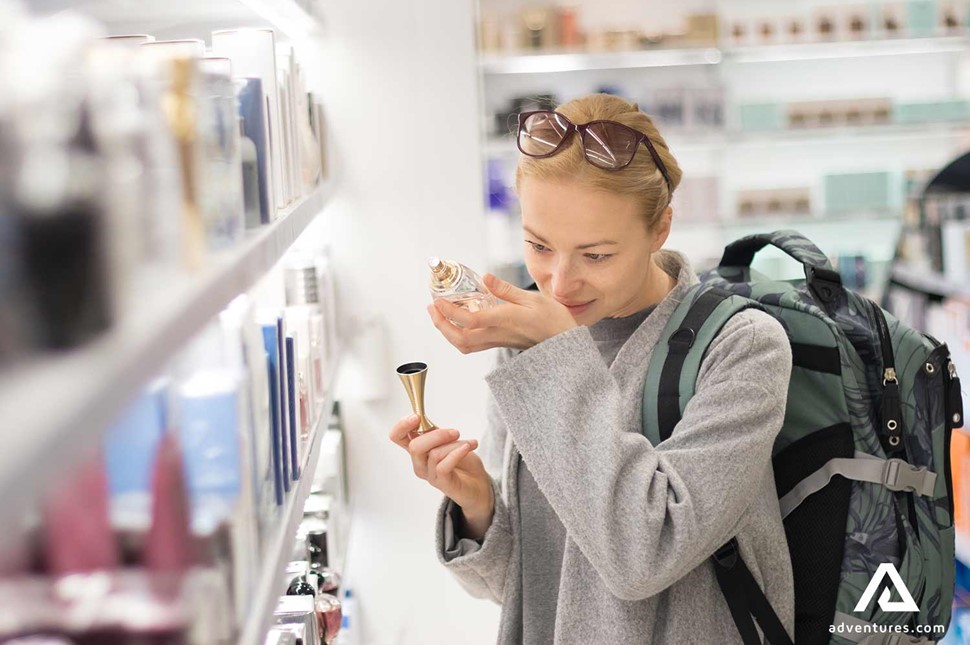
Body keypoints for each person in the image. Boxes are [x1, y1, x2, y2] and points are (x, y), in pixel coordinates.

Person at [388, 93, 795, 644]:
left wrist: (555, 350)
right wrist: (479, 505)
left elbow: (642, 556)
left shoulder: (741, 347)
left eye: (596, 255)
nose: (559, 284)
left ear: (660, 229)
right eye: (538, 246)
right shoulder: (528, 342)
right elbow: (530, 587)